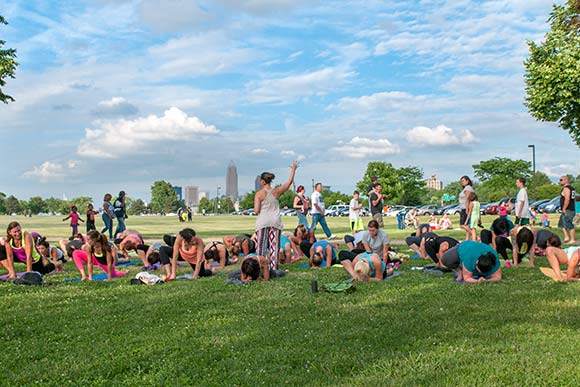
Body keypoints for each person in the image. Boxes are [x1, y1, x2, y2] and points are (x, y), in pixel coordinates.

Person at [254, 162, 298, 270]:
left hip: (263, 222)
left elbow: (256, 210)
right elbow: (288, 183)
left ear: (262, 181)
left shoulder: (259, 194)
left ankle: (260, 267)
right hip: (275, 221)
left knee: (261, 248)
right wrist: (293, 170)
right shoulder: (277, 191)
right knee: (274, 247)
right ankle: (273, 269)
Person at [558, 175, 576, 244]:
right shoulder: (572, 188)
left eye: (561, 180)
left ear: (566, 180)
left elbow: (567, 199)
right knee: (562, 224)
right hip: (570, 208)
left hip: (568, 209)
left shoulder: (566, 188)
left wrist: (564, 208)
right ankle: (566, 236)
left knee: (570, 224)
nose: (560, 181)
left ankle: (572, 239)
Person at [458, 175, 475, 240]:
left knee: (462, 225)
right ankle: (467, 240)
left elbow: (468, 199)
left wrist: (467, 209)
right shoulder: (466, 188)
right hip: (464, 207)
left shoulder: (468, 188)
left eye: (463, 180)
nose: (462, 182)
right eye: (461, 181)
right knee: (467, 225)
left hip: (465, 208)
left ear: (467, 181)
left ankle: (476, 237)